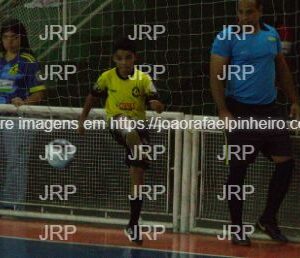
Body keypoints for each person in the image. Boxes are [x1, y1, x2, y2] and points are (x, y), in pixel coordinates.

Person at [210, 0, 300, 245]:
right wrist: (223, 110)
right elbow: (216, 75)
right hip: (240, 110)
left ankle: (267, 219)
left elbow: (281, 70)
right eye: (240, 12)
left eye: (250, 12)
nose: (245, 17)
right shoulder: (227, 37)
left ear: (259, 12)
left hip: (269, 111)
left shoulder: (271, 35)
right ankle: (237, 228)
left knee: (286, 164)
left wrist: (294, 100)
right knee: (238, 171)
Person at [78, 37, 164, 244]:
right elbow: (92, 97)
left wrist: (157, 106)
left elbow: (155, 100)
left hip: (140, 128)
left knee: (137, 177)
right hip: (116, 124)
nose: (124, 62)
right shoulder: (107, 77)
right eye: (120, 58)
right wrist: (82, 120)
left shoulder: (143, 79)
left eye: (128, 58)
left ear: (135, 58)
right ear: (114, 59)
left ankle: (133, 224)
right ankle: (133, 139)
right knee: (123, 121)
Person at [0, 18, 45, 210]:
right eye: (5, 37)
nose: (9, 41)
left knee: (15, 163)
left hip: (18, 120)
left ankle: (12, 207)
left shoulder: (29, 62)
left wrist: (23, 103)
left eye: (14, 37)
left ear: (22, 38)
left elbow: (39, 94)